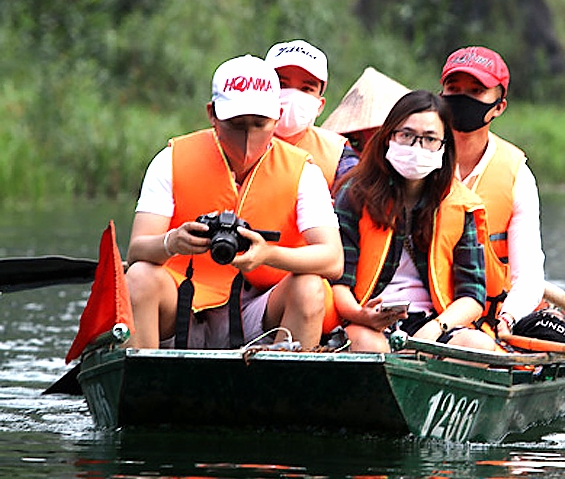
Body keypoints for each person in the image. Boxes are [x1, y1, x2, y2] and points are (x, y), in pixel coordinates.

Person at [124, 54, 344, 351]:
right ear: (212, 114)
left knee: (310, 287)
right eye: (236, 124)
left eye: (259, 124)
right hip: (182, 302)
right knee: (138, 276)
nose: (248, 136)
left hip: (257, 310)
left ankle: (284, 388)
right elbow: (137, 250)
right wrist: (172, 242)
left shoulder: (303, 171)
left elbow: (332, 259)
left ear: (276, 116)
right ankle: (144, 383)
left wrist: (267, 255)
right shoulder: (171, 160)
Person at [331, 90, 497, 353]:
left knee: (480, 346)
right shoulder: (354, 194)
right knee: (366, 345)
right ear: (388, 138)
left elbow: (472, 296)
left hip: (434, 322)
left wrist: (435, 328)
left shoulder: (460, 204)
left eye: (430, 139)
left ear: (444, 146)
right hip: (366, 319)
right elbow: (338, 280)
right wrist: (361, 315)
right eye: (406, 135)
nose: (417, 147)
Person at [439, 46, 565, 343]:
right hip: (426, 311)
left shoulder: (516, 174)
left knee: (550, 331)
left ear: (499, 106)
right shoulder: (418, 157)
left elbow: (528, 276)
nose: (462, 98)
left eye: (476, 91)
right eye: (454, 88)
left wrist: (508, 317)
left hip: (492, 318)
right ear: (441, 95)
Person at [264, 39, 359, 188]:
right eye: (282, 84)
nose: (292, 97)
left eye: (306, 89)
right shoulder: (230, 139)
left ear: (319, 106)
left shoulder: (338, 156)